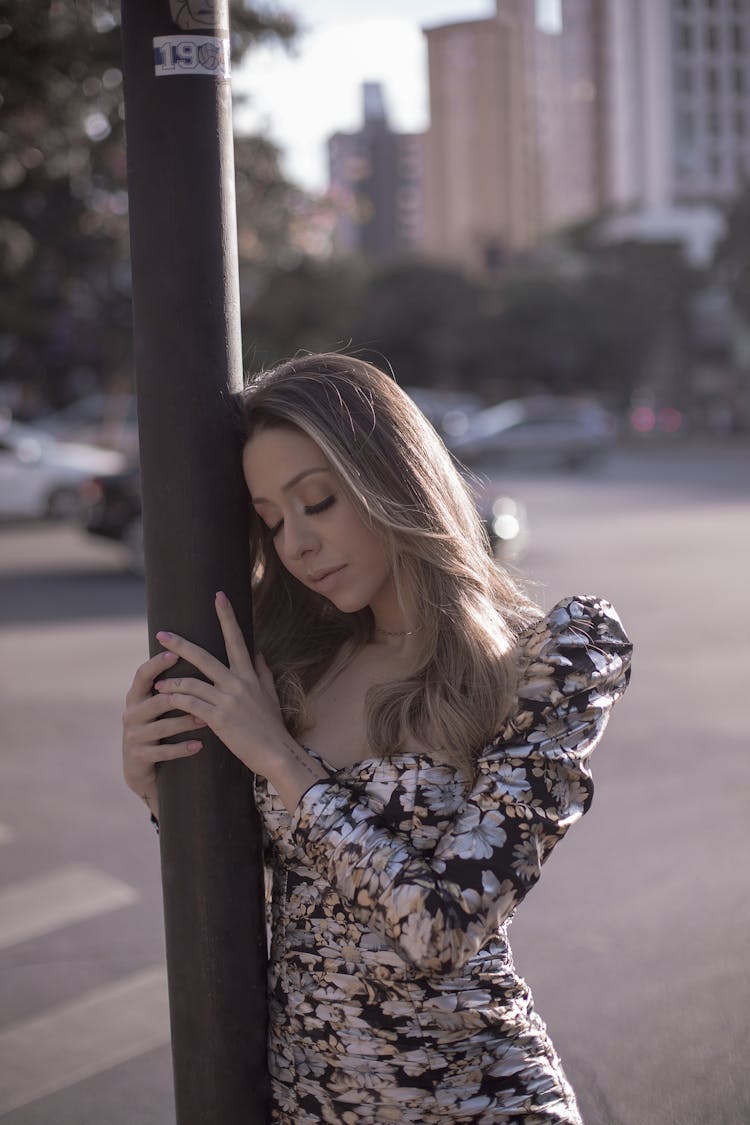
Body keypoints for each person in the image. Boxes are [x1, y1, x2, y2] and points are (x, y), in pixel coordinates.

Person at [122, 352, 632, 1124]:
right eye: (271, 520)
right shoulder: (293, 668)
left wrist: (286, 765)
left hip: (481, 1103)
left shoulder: (546, 661)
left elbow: (441, 928)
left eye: (317, 502)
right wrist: (164, 794)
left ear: (391, 476)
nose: (294, 544)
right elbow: (261, 893)